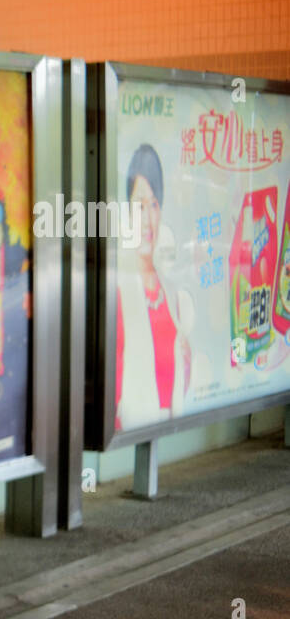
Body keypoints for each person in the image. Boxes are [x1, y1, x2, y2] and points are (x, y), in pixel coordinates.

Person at [115, 144, 189, 430]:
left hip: (169, 429)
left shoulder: (171, 293)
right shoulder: (119, 289)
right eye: (139, 205)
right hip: (130, 434)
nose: (147, 218)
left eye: (154, 204)